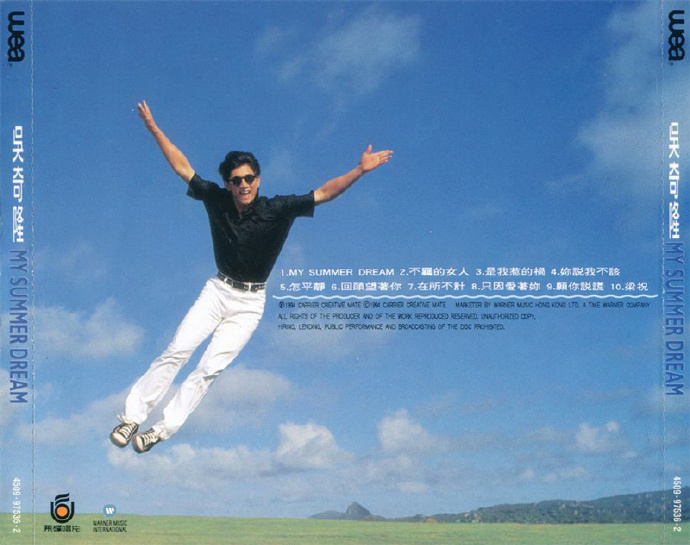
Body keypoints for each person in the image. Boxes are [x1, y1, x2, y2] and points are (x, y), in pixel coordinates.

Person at [110, 100, 393, 453]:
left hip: (249, 303)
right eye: (236, 180)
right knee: (177, 349)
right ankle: (131, 419)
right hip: (217, 291)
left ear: (258, 180)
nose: (243, 184)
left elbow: (324, 193)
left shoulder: (278, 209)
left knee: (209, 368)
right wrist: (154, 128)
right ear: (228, 184)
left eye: (248, 178)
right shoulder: (216, 200)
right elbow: (183, 167)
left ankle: (160, 431)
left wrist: (359, 170)